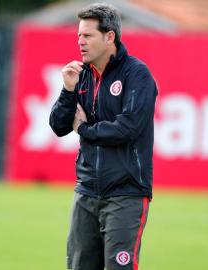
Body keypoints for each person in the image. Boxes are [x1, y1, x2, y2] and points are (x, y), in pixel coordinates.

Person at [49, 3, 158, 270]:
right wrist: (67, 90)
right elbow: (59, 126)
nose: (80, 42)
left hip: (126, 194)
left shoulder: (137, 74)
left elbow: (128, 127)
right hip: (86, 192)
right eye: (78, 36)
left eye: (87, 36)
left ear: (109, 37)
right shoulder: (81, 75)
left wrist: (85, 130)